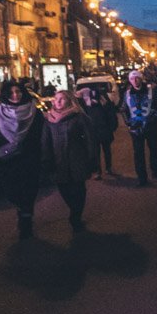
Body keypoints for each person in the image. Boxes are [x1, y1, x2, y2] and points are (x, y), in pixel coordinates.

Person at [0, 80, 45, 239]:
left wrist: (45, 156)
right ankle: (23, 212)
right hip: (8, 160)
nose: (15, 95)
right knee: (13, 192)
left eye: (18, 91)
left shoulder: (33, 111)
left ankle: (26, 221)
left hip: (29, 158)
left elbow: (41, 135)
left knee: (29, 191)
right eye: (11, 93)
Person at [42, 90, 94, 233]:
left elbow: (90, 140)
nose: (58, 102)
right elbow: (45, 142)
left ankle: (75, 216)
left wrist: (92, 160)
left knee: (78, 190)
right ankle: (74, 210)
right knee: (64, 190)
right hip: (58, 162)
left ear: (70, 100)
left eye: (62, 99)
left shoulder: (79, 117)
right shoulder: (49, 119)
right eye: (56, 99)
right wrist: (46, 161)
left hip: (77, 160)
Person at [122, 70, 157, 186]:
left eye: (136, 78)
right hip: (136, 129)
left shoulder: (152, 91)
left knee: (154, 149)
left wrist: (153, 119)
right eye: (132, 79)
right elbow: (124, 109)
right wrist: (129, 123)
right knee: (138, 154)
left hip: (150, 127)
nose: (134, 81)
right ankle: (142, 178)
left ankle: (155, 170)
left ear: (141, 79)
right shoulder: (127, 93)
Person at [78, 87, 118, 179]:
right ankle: (99, 170)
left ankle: (106, 168)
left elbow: (111, 117)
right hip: (94, 132)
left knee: (105, 150)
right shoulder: (88, 106)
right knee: (96, 152)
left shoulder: (104, 105)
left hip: (103, 131)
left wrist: (111, 128)